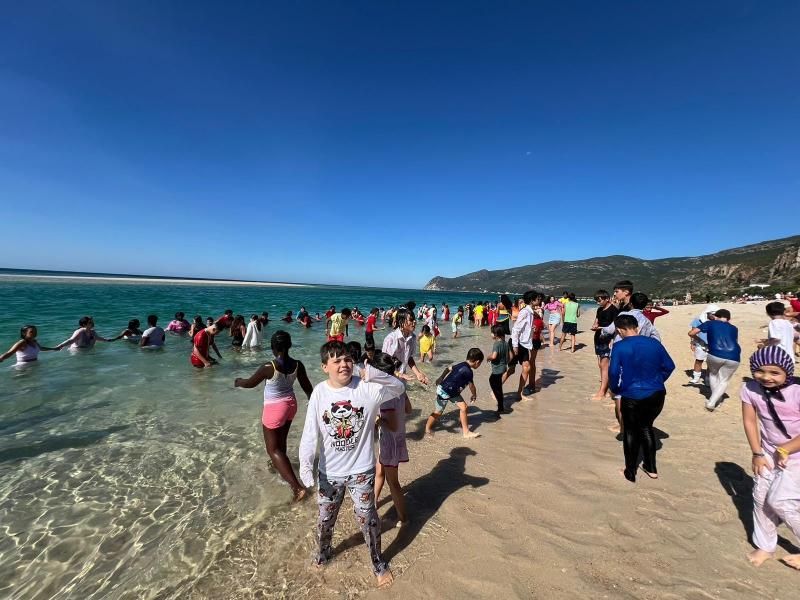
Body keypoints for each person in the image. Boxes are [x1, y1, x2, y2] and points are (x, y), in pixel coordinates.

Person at [298, 340, 404, 587]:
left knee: (368, 519)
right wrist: (305, 465)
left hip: (361, 472)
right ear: (325, 366)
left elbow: (398, 388)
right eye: (336, 360)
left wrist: (371, 373)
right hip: (329, 473)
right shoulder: (319, 393)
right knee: (325, 519)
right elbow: (310, 432)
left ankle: (378, 562)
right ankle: (324, 553)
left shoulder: (367, 388)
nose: (343, 364)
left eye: (347, 359)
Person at [235, 330, 313, 502]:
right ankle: (280, 466)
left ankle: (297, 488)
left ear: (272, 347)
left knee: (273, 449)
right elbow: (308, 387)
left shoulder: (269, 367)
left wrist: (238, 381)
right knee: (281, 441)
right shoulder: (297, 365)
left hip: (274, 408)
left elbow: (249, 384)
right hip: (291, 405)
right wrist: (313, 402)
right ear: (290, 345)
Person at [740, 346, 800, 568]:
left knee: (780, 501)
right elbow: (749, 421)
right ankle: (765, 546)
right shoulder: (749, 388)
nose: (766, 377)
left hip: (796, 454)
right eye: (761, 371)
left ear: (787, 373)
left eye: (775, 372)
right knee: (761, 498)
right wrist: (757, 452)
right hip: (767, 451)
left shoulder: (797, 390)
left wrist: (786, 449)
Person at [609, 314, 675, 483]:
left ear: (619, 330)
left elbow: (614, 372)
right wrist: (658, 380)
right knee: (646, 427)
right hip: (656, 394)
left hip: (631, 394)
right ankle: (651, 468)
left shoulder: (619, 346)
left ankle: (630, 472)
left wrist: (615, 389)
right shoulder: (654, 344)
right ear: (636, 326)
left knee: (630, 431)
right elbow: (669, 366)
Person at [371, 351, 412, 528]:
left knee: (393, 482)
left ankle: (403, 518)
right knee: (379, 471)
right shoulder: (399, 385)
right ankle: (371, 505)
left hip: (390, 441)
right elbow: (409, 410)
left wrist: (378, 420)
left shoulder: (384, 393)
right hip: (398, 438)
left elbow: (392, 424)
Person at [688, 309, 741, 411]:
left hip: (715, 353)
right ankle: (716, 399)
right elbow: (735, 341)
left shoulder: (710, 323)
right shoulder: (734, 328)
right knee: (724, 380)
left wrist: (699, 340)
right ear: (729, 319)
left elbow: (691, 333)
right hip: (734, 356)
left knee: (713, 375)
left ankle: (712, 402)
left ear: (716, 316)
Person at [425, 348, 484, 438]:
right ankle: (427, 428)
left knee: (464, 407)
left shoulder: (462, 364)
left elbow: (448, 368)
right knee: (438, 412)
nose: (479, 365)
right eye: (480, 363)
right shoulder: (469, 372)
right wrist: (474, 395)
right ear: (477, 362)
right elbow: (471, 386)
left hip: (453, 392)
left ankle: (466, 432)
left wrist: (441, 377)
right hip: (445, 391)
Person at [382, 309, 429, 385]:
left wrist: (418, 373)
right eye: (411, 320)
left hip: (402, 378)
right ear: (401, 322)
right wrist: (399, 374)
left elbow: (409, 358)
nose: (414, 322)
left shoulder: (412, 337)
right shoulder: (390, 339)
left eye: (414, 319)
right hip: (388, 380)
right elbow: (383, 362)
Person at [510, 290, 541, 397]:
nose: (539, 300)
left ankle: (520, 393)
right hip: (518, 343)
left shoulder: (530, 312)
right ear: (532, 301)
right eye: (537, 299)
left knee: (526, 368)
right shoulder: (525, 312)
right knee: (510, 370)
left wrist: (532, 328)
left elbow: (524, 326)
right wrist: (515, 346)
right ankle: (495, 391)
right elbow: (515, 329)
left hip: (523, 344)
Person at [590, 290, 618, 400]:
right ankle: (605, 388)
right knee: (600, 364)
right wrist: (594, 326)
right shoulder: (600, 309)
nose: (597, 302)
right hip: (598, 338)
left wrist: (612, 339)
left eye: (599, 300)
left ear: (607, 298)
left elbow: (615, 327)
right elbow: (596, 321)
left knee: (605, 364)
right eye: (596, 300)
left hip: (608, 339)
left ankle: (602, 391)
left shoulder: (614, 310)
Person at [688, 304, 719, 385]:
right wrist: (692, 343)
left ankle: (708, 379)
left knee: (711, 363)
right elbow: (692, 332)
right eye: (713, 314)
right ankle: (696, 378)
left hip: (713, 345)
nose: (715, 315)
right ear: (707, 313)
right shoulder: (698, 320)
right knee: (699, 360)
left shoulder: (718, 321)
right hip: (700, 344)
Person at [487, 324, 509, 417]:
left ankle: (500, 406)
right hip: (503, 367)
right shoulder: (505, 343)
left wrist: (488, 357)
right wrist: (505, 363)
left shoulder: (496, 344)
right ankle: (500, 404)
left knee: (493, 382)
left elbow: (494, 356)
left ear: (496, 334)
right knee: (497, 385)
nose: (491, 334)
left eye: (492, 333)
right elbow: (510, 356)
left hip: (497, 369)